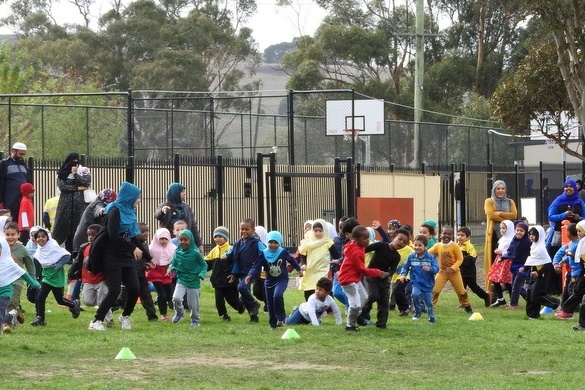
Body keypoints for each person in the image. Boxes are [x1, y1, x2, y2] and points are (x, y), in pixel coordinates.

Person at [87, 182, 145, 331]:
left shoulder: (130, 212)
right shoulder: (114, 211)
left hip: (125, 257)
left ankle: (125, 316)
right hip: (110, 256)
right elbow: (113, 235)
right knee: (114, 290)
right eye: (137, 198)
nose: (139, 200)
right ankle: (96, 321)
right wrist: (133, 248)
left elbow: (131, 237)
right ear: (129, 197)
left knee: (134, 289)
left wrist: (148, 258)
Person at [337, 225, 390, 332]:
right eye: (365, 238)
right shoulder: (356, 252)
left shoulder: (355, 245)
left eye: (368, 237)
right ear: (356, 239)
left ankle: (357, 316)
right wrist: (379, 272)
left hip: (355, 278)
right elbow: (362, 270)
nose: (367, 240)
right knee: (355, 304)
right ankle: (350, 325)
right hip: (348, 280)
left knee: (365, 298)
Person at [246, 230, 303, 329]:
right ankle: (273, 325)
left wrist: (299, 269)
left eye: (276, 243)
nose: (273, 245)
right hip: (268, 282)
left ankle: (281, 317)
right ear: (267, 242)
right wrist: (250, 275)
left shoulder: (282, 252)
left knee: (277, 295)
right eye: (271, 242)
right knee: (270, 304)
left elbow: (292, 260)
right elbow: (256, 266)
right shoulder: (263, 254)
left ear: (279, 243)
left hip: (282, 280)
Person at [359, 227, 410, 329]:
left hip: (383, 280)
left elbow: (392, 270)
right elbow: (364, 250)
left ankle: (381, 324)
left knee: (384, 302)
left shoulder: (396, 256)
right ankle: (363, 313)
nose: (401, 243)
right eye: (400, 239)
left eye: (404, 242)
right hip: (371, 276)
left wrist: (386, 274)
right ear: (393, 237)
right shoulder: (381, 245)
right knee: (373, 296)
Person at [31, 228, 81, 326]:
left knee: (60, 300)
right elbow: (39, 267)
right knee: (40, 297)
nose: (40, 239)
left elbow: (66, 255)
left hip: (56, 275)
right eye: (38, 237)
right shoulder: (38, 252)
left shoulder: (54, 246)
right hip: (46, 276)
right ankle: (40, 318)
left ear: (47, 238)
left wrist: (58, 265)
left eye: (43, 236)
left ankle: (74, 304)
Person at [68, 224, 114, 328]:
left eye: (93, 235)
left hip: (101, 279)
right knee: (87, 301)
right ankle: (107, 305)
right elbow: (78, 261)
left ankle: (109, 320)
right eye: (88, 235)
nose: (90, 237)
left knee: (102, 301)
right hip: (87, 280)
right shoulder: (84, 248)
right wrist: (72, 271)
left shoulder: (104, 248)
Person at [226, 219, 266, 323]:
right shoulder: (238, 243)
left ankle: (254, 304)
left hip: (252, 271)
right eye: (242, 229)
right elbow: (231, 253)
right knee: (244, 293)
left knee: (241, 287)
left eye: (247, 229)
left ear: (252, 230)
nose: (244, 231)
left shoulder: (256, 242)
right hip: (241, 272)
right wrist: (225, 256)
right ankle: (253, 317)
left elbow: (265, 251)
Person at [0, 235, 40, 334]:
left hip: (4, 294)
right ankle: (12, 315)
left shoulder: (9, 263)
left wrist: (34, 283)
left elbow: (22, 273)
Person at [429, 225, 473, 314]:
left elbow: (460, 259)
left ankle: (467, 306)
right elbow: (428, 253)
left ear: (452, 236)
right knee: (435, 290)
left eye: (449, 234)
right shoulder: (437, 246)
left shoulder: (455, 246)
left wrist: (453, 268)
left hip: (455, 273)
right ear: (440, 235)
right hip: (442, 272)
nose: (446, 236)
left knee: (461, 291)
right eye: (444, 233)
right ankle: (430, 307)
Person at [52, 152, 91, 252]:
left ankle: (75, 251)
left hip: (79, 205)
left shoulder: (84, 170)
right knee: (63, 226)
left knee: (77, 227)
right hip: (66, 204)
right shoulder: (62, 172)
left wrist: (75, 174)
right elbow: (63, 187)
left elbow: (86, 182)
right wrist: (77, 188)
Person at [169, 230, 208, 327]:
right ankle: (179, 312)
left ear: (191, 240)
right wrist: (170, 268)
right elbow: (173, 262)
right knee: (176, 298)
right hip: (181, 279)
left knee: (193, 305)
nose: (183, 242)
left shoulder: (195, 253)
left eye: (185, 240)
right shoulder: (178, 251)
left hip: (194, 281)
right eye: (181, 240)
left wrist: (202, 274)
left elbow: (204, 265)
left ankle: (195, 320)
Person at [205, 226, 245, 322]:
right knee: (219, 300)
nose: (217, 239)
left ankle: (240, 306)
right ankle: (224, 315)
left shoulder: (231, 249)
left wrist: (235, 274)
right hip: (217, 281)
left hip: (229, 280)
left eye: (220, 236)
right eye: (215, 236)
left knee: (231, 299)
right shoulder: (214, 250)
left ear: (226, 238)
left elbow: (236, 263)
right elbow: (207, 263)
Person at [484, 180, 518, 290]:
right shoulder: (489, 201)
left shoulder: (510, 202)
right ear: (494, 190)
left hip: (509, 236)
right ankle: (494, 286)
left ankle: (509, 285)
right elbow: (491, 215)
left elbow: (514, 215)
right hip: (494, 234)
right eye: (498, 189)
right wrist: (506, 217)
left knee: (509, 259)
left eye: (502, 188)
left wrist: (500, 213)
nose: (500, 191)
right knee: (495, 259)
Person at [521, 225, 560, 319]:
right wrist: (525, 268)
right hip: (533, 273)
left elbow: (547, 264)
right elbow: (533, 260)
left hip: (542, 275)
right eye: (530, 234)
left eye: (534, 234)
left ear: (539, 235)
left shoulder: (541, 249)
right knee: (529, 293)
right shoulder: (533, 247)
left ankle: (556, 303)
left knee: (536, 295)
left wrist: (538, 273)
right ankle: (532, 315)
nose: (531, 236)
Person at [400, 235, 439, 323]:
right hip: (416, 282)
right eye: (415, 245)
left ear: (425, 246)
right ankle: (417, 312)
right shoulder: (411, 256)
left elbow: (436, 268)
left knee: (428, 302)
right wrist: (403, 275)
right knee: (415, 295)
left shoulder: (430, 257)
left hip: (427, 283)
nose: (417, 247)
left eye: (420, 245)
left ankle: (431, 317)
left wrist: (430, 269)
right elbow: (405, 267)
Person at [298, 219, 339, 301]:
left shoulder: (327, 242)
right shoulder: (308, 242)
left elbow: (336, 255)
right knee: (309, 289)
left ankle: (327, 308)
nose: (318, 233)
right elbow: (303, 255)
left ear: (324, 230)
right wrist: (303, 264)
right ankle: (311, 307)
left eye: (320, 231)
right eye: (315, 230)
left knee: (322, 288)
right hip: (310, 270)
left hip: (322, 270)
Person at [155, 182, 203, 252]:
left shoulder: (186, 207)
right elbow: (157, 215)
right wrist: (162, 211)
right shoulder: (165, 205)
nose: (184, 193)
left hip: (186, 243)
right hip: (169, 244)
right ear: (175, 193)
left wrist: (199, 244)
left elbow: (193, 227)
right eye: (182, 192)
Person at [546, 179, 585, 259]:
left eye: (571, 186)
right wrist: (564, 215)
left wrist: (579, 218)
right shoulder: (558, 201)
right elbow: (551, 217)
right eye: (566, 186)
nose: (568, 188)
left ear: (575, 188)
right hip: (559, 236)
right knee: (558, 257)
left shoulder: (580, 202)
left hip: (577, 236)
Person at [72, 188, 117, 254]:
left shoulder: (95, 203)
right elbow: (98, 210)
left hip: (82, 239)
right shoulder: (97, 204)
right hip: (85, 240)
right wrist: (102, 211)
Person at [553, 222, 582, 319]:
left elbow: (579, 257)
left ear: (568, 233)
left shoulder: (577, 244)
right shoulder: (571, 244)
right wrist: (563, 260)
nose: (578, 233)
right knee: (572, 291)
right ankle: (568, 310)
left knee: (574, 292)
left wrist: (570, 255)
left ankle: (568, 311)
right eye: (577, 231)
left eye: (580, 231)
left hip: (578, 272)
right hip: (574, 272)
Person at [457, 226, 490, 308]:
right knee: (461, 288)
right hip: (460, 271)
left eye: (462, 235)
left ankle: (486, 296)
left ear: (467, 237)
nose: (459, 237)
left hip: (469, 272)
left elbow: (473, 255)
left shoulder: (468, 245)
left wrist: (463, 259)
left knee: (474, 287)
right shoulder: (457, 245)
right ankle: (464, 303)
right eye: (458, 235)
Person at [147, 227, 176, 321]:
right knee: (162, 295)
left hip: (166, 271)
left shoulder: (172, 248)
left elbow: (174, 260)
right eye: (161, 239)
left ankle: (169, 306)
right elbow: (147, 258)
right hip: (155, 271)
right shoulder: (151, 248)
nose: (163, 241)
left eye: (166, 239)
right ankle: (164, 314)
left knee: (169, 295)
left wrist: (171, 267)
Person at [0, 142, 32, 220]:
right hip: (9, 200)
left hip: (22, 200)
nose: (22, 157)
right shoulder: (4, 164)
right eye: (20, 154)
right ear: (13, 151)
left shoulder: (23, 165)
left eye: (24, 155)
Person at [487, 220, 515, 307]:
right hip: (499, 260)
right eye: (501, 228)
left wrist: (501, 252)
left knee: (507, 281)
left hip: (507, 261)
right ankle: (500, 298)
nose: (502, 230)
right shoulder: (502, 239)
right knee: (494, 278)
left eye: (504, 228)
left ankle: (512, 301)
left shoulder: (512, 239)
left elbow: (512, 252)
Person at [507, 221, 532, 309]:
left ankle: (514, 304)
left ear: (525, 232)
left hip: (523, 267)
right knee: (515, 286)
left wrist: (526, 266)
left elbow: (531, 254)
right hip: (514, 265)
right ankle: (532, 300)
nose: (519, 232)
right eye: (517, 230)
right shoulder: (514, 240)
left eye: (521, 231)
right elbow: (510, 250)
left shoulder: (527, 242)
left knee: (516, 286)